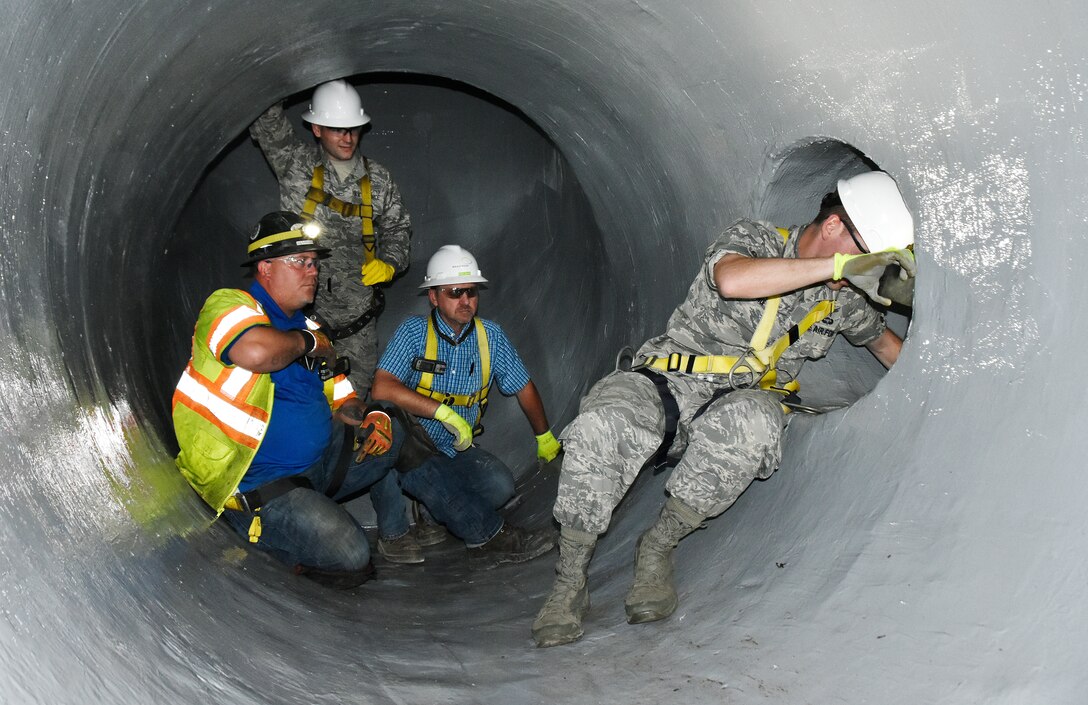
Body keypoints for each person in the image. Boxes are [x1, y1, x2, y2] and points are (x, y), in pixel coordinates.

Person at [531, 170, 918, 647]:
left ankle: (656, 549)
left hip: (736, 399)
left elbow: (884, 345)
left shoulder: (844, 302)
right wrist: (836, 268)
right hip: (666, 379)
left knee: (757, 424)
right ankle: (570, 580)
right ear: (837, 228)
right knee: (599, 426)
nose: (866, 268)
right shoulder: (753, 237)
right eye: (866, 253)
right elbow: (731, 279)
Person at [172, 211, 419, 588]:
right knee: (352, 556)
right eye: (300, 262)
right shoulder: (231, 306)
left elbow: (344, 399)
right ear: (265, 267)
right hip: (257, 482)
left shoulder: (310, 326)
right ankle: (258, 535)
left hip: (315, 470)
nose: (313, 272)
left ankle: (316, 515)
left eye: (314, 263)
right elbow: (255, 352)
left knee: (395, 429)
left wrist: (371, 417)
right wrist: (310, 344)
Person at [370, 245, 561, 567]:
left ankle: (432, 512)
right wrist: (441, 411)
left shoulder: (491, 337)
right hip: (408, 445)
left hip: (453, 446)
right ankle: (411, 534)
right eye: (455, 292)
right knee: (410, 466)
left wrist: (544, 436)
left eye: (471, 292)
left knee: (499, 486)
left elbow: (524, 387)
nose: (465, 301)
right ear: (434, 297)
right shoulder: (413, 332)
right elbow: (382, 387)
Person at [249, 79, 412, 397]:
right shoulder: (294, 164)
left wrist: (389, 263)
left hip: (357, 324)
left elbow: (397, 230)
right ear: (316, 129)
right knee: (290, 398)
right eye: (337, 128)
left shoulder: (378, 179)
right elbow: (264, 112)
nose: (347, 137)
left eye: (353, 128)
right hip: (297, 318)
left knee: (352, 404)